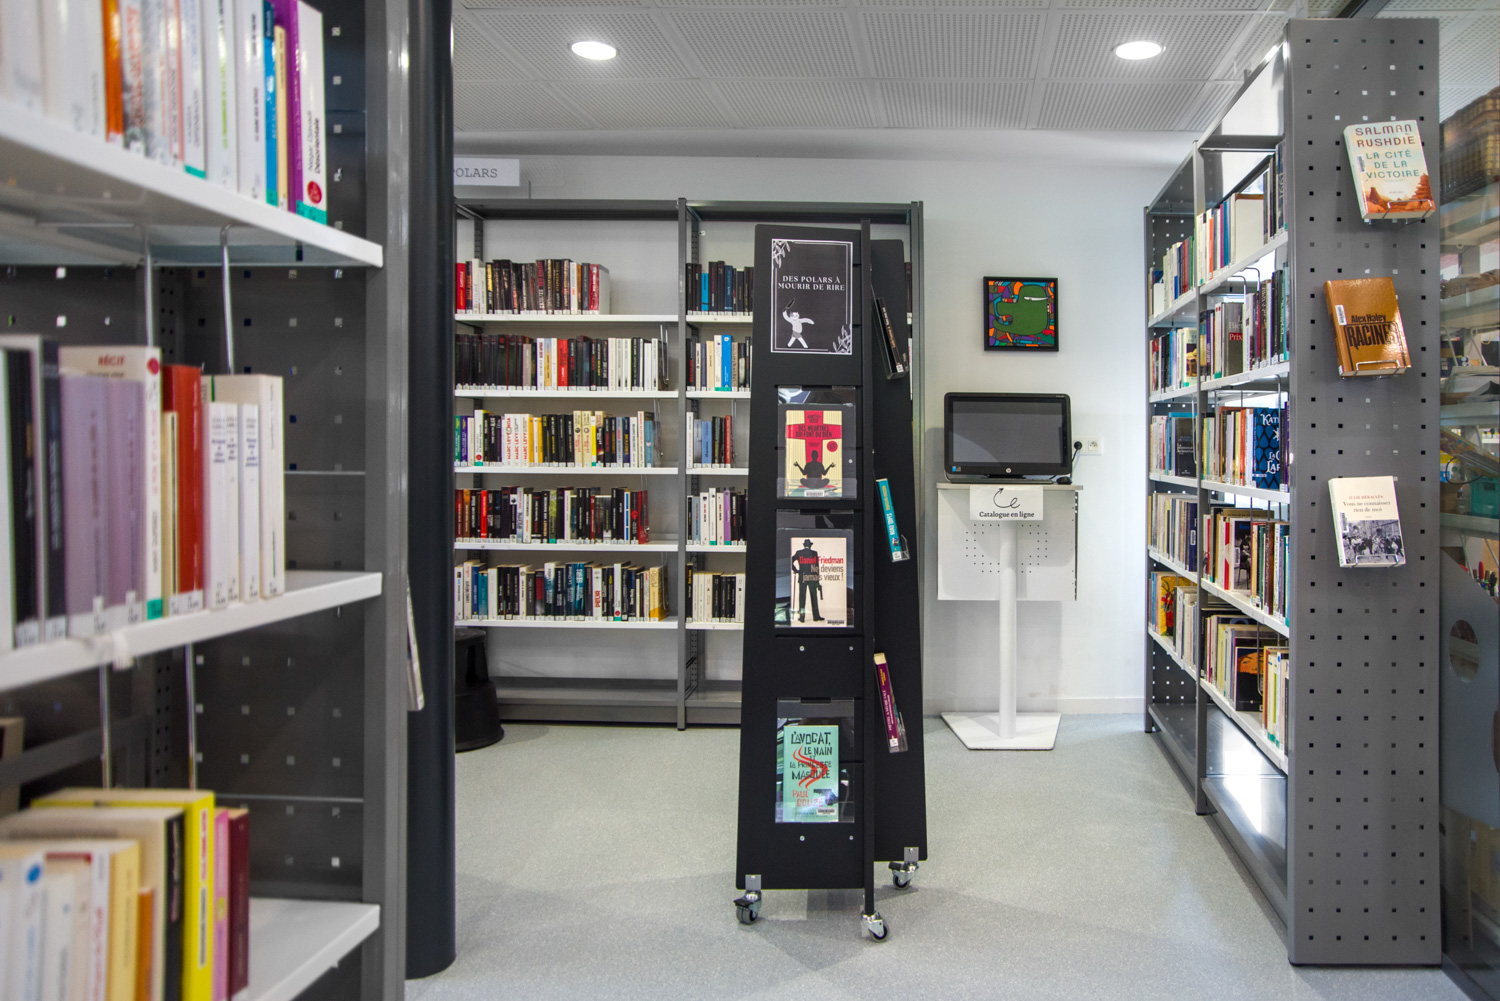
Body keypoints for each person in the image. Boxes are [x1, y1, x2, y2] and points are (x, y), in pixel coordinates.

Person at [792, 539, 824, 622]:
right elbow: (816, 568)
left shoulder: (799, 552)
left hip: (802, 578)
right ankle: (816, 617)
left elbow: (791, 560)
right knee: (814, 598)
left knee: (802, 598)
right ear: (810, 545)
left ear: (804, 545)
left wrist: (796, 570)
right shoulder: (814, 553)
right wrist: (817, 581)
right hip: (812, 578)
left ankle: (802, 617)